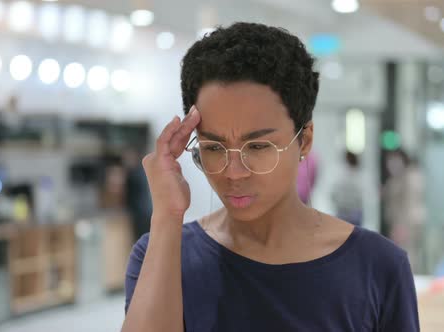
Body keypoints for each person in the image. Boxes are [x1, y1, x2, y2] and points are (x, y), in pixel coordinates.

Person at [122, 22, 419, 332]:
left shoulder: (377, 266)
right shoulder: (161, 255)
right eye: (214, 147)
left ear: (304, 140)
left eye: (258, 146)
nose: (233, 172)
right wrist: (167, 216)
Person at [330, 151, 363, 226]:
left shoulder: (340, 176)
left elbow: (333, 194)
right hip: (354, 213)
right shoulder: (359, 176)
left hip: (343, 213)